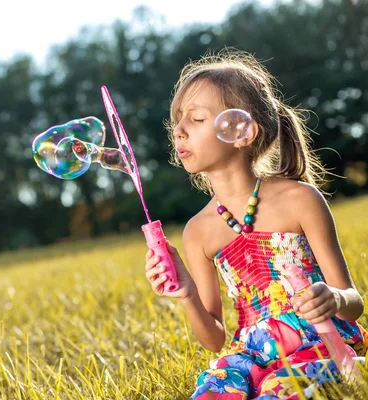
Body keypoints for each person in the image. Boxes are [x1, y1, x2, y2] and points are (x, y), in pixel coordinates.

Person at [144, 49, 368, 399]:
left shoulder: (300, 199)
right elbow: (215, 338)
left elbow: (354, 304)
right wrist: (187, 292)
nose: (179, 130)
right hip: (253, 350)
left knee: (279, 389)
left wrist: (334, 299)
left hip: (322, 338)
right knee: (214, 391)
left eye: (197, 119)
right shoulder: (198, 231)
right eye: (178, 120)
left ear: (241, 131)